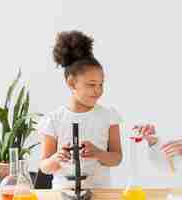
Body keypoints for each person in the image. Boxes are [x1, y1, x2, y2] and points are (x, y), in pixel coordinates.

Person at [39, 30, 122, 189]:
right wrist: (56, 158)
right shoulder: (54, 119)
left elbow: (116, 158)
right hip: (62, 193)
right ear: (71, 83)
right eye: (91, 84)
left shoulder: (108, 116)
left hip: (100, 193)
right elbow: (44, 166)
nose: (98, 90)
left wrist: (98, 152)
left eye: (101, 84)